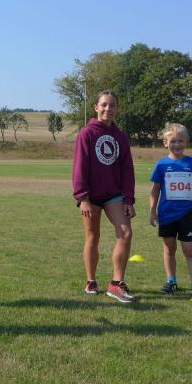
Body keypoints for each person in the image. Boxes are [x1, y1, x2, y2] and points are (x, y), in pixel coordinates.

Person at [72, 90, 137, 302]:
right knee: (93, 237)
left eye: (112, 105)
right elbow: (79, 167)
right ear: (96, 108)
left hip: (114, 195)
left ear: (117, 109)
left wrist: (128, 199)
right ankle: (91, 280)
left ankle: (116, 284)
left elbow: (127, 169)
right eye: (104, 105)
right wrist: (83, 198)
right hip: (90, 197)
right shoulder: (86, 134)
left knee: (125, 233)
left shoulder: (121, 137)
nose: (108, 109)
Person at [149, 123, 192, 301]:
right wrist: (152, 211)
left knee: (189, 250)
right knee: (169, 248)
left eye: (181, 141)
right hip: (166, 214)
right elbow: (155, 190)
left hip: (185, 215)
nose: (177, 145)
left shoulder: (191, 163)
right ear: (165, 143)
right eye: (173, 141)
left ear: (186, 142)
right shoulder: (162, 165)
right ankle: (171, 281)